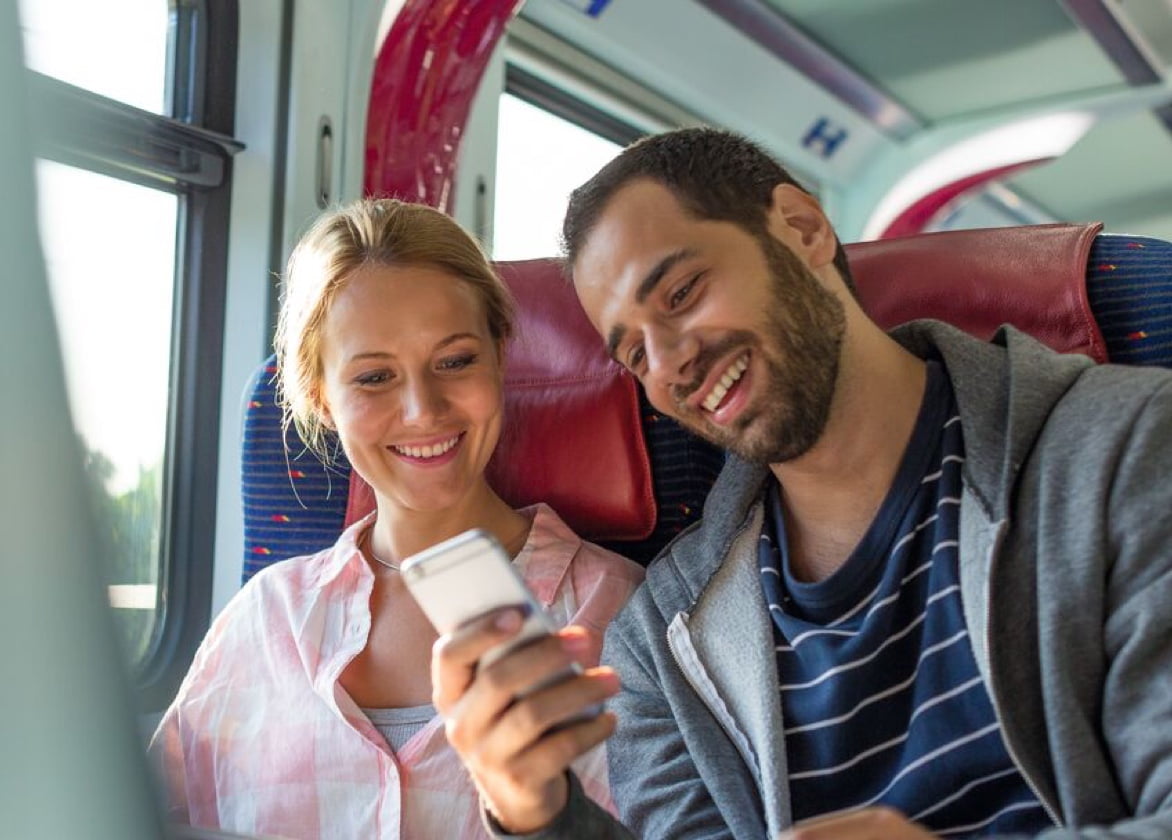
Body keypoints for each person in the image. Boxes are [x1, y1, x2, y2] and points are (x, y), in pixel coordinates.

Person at [433, 128, 1172, 839]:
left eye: (683, 292)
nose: (669, 364)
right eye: (632, 354)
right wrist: (534, 812)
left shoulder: (1127, 450)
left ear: (802, 228)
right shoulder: (662, 638)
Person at [148, 198, 644, 839]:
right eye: (375, 376)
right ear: (323, 400)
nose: (423, 409)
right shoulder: (263, 618)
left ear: (500, 356)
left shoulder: (620, 613)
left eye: (456, 360)